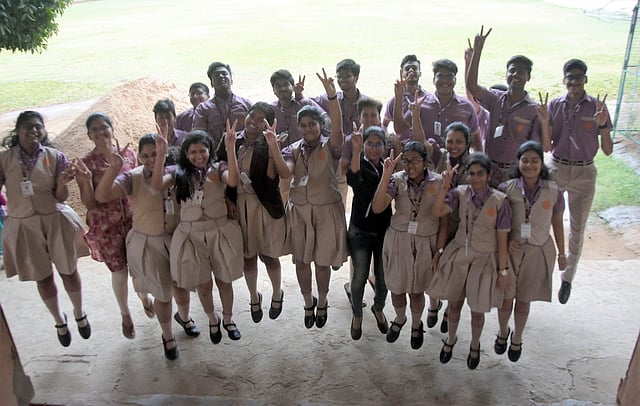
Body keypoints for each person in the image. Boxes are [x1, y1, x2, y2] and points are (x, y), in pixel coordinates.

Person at [0, 111, 90, 346]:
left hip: (54, 220)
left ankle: (79, 312)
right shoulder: (4, 159)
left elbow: (61, 197)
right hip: (24, 225)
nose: (34, 131)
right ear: (17, 130)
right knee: (43, 277)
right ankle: (59, 320)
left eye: (38, 126)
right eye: (28, 126)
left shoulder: (55, 156)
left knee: (69, 271)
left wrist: (61, 183)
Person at [94, 133, 183, 360]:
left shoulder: (174, 171)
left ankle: (184, 318)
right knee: (163, 294)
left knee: (180, 287)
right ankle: (168, 336)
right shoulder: (131, 177)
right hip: (148, 242)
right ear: (139, 157)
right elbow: (102, 196)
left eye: (156, 153)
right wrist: (113, 169)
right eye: (145, 156)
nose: (151, 159)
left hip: (175, 240)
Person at [153, 127, 244, 343]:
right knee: (203, 284)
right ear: (186, 153)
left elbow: (233, 180)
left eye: (202, 150)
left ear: (209, 150)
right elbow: (156, 186)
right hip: (190, 235)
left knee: (224, 280)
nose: (198, 156)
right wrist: (161, 155)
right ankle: (212, 319)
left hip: (219, 231)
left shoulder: (218, 168)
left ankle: (228, 319)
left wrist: (230, 148)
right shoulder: (177, 172)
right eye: (193, 152)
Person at [73, 112, 153, 340]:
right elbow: (89, 202)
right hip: (106, 226)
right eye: (94, 130)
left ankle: (144, 297)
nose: (100, 132)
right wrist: (86, 180)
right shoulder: (86, 164)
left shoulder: (128, 154)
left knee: (139, 264)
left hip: (133, 220)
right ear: (89, 135)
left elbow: (138, 185)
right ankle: (125, 314)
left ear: (112, 129)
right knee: (119, 271)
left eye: (104, 127)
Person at [429, 152, 511, 369]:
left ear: (489, 175)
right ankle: (450, 339)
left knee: (477, 309)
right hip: (459, 253)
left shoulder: (500, 201)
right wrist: (444, 186)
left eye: (480, 174)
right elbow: (437, 212)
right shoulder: (460, 193)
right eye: (471, 174)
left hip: (485, 257)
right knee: (454, 303)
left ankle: (475, 345)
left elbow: (502, 238)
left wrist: (503, 271)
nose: (475, 178)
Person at [282, 70, 348, 329]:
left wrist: (332, 97)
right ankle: (308, 301)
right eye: (304, 125)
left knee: (322, 262)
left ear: (320, 125)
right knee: (301, 261)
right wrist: (275, 148)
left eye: (313, 124)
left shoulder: (331, 146)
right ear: (299, 127)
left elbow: (338, 128)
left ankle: (322, 301)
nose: (308, 129)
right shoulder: (293, 149)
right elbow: (286, 172)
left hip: (327, 212)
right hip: (299, 212)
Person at [217, 102, 290, 323]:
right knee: (247, 257)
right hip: (239, 206)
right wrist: (226, 199)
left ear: (267, 124)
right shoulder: (231, 139)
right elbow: (219, 169)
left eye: (261, 119)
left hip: (263, 207)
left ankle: (277, 293)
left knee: (269, 255)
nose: (254, 121)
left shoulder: (269, 142)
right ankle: (253, 297)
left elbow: (272, 178)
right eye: (252, 115)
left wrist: (273, 148)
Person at [548, 58, 613, 304]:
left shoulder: (597, 107)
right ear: (564, 79)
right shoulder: (555, 105)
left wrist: (602, 125)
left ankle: (568, 278)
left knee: (578, 227)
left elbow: (608, 150)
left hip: (584, 172)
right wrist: (544, 121)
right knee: (542, 218)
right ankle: (542, 267)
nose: (574, 82)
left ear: (586, 79)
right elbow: (547, 144)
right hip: (557, 168)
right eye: (570, 77)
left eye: (579, 77)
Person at [371, 141, 447, 349]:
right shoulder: (397, 180)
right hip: (399, 239)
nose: (410, 165)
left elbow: (444, 221)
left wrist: (439, 251)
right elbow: (378, 207)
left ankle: (415, 325)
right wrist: (386, 175)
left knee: (417, 290)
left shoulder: (439, 181)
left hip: (425, 240)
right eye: (406, 160)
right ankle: (400, 318)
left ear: (425, 161)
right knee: (396, 288)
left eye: (415, 160)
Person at [496, 141, 566, 362]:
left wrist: (562, 253)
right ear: (518, 163)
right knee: (506, 297)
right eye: (525, 160)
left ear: (541, 164)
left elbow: (557, 223)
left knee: (524, 299)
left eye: (535, 160)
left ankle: (517, 337)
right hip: (511, 252)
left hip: (538, 250)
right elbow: (498, 224)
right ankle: (503, 331)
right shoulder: (506, 189)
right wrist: (507, 243)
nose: (530, 165)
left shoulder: (553, 191)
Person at [466, 26, 550, 187]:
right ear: (506, 74)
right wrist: (477, 52)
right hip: (489, 169)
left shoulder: (533, 110)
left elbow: (538, 147)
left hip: (515, 173)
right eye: (512, 71)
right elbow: (472, 86)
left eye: (521, 72)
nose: (516, 75)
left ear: (528, 77)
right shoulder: (495, 99)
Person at [413, 117, 474, 333]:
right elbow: (420, 141)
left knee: (456, 269)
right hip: (436, 220)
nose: (454, 145)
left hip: (461, 224)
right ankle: (434, 303)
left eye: (459, 141)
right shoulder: (440, 156)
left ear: (467, 143)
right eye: (450, 141)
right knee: (432, 264)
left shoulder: (474, 165)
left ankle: (450, 309)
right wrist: (416, 114)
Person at [346, 125, 391, 340]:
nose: (374, 148)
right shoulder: (359, 163)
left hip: (383, 231)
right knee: (359, 278)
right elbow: (353, 179)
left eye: (378, 144)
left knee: (384, 280)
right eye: (369, 144)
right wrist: (356, 151)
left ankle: (378, 308)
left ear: (384, 146)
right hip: (360, 232)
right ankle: (357, 314)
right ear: (363, 145)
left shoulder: (387, 166)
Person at [394, 58, 482, 151]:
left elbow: (477, 143)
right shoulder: (420, 104)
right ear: (433, 80)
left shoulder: (467, 107)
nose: (445, 80)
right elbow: (399, 129)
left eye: (449, 76)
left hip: (457, 158)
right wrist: (399, 96)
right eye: (440, 76)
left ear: (455, 80)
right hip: (428, 158)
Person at [269, 69, 319, 202]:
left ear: (292, 86)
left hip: (307, 159)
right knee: (284, 196)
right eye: (278, 86)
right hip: (281, 162)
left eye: (286, 84)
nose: (282, 88)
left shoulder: (305, 104)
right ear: (273, 90)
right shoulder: (270, 110)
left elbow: (325, 124)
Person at [193, 62, 253, 151]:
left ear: (231, 80)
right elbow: (199, 136)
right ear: (211, 83)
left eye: (224, 74)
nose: (221, 76)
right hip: (214, 154)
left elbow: (256, 130)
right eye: (216, 75)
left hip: (243, 152)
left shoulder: (246, 104)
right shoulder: (203, 109)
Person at [383, 54, 430, 143]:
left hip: (424, 146)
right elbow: (385, 124)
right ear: (402, 73)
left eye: (414, 68)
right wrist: (388, 137)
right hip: (402, 147)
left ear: (420, 73)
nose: (411, 71)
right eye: (407, 69)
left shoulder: (429, 99)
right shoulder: (394, 100)